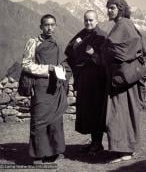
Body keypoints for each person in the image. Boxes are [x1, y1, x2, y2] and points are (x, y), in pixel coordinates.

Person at [102, 0, 146, 163]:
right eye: (108, 8)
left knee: (118, 114)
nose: (109, 11)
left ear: (120, 9)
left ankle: (124, 151)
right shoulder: (127, 24)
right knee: (127, 112)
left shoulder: (123, 25)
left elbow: (119, 49)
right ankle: (129, 148)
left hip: (122, 79)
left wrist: (105, 51)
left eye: (112, 8)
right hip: (127, 78)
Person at [21, 14, 71, 164]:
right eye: (47, 25)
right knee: (39, 120)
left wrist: (61, 68)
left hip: (55, 86)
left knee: (55, 120)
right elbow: (26, 64)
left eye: (52, 25)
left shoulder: (56, 42)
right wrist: (46, 68)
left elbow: (61, 61)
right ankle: (38, 154)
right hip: (41, 86)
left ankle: (55, 151)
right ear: (41, 26)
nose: (50, 28)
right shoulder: (33, 42)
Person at [65, 10, 107, 155]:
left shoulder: (102, 37)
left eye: (91, 20)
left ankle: (98, 144)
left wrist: (93, 54)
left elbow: (107, 61)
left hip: (97, 82)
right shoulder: (81, 35)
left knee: (96, 111)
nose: (88, 23)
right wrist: (76, 48)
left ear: (97, 20)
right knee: (88, 111)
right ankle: (93, 142)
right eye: (86, 20)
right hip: (83, 79)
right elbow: (69, 50)